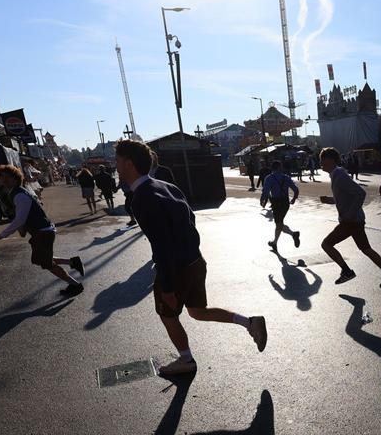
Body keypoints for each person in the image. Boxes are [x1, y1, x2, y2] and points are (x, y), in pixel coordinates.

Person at [114, 140, 267, 377]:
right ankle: (250, 322)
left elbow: (161, 245)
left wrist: (166, 286)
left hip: (177, 268)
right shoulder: (166, 187)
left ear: (128, 163)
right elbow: (190, 221)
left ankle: (186, 360)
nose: (116, 166)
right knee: (197, 311)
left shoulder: (142, 198)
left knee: (167, 315)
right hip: (195, 260)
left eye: (117, 161)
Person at [0, 165, 85, 296]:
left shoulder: (19, 195)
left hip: (43, 232)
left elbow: (20, 219)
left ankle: (75, 284)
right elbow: (21, 218)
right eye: (1, 177)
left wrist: (2, 234)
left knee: (46, 263)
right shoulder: (16, 192)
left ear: (15, 178)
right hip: (41, 231)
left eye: (8, 177)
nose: (4, 180)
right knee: (42, 260)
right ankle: (72, 262)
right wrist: (21, 229)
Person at [318, 147, 381, 288]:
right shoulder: (336, 175)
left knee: (326, 244)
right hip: (355, 220)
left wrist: (349, 214)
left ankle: (346, 271)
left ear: (331, 160)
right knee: (366, 248)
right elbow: (344, 197)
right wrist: (330, 200)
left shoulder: (339, 175)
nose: (321, 162)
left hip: (350, 221)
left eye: (323, 159)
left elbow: (360, 193)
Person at [260, 160, 301, 253]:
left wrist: (262, 200)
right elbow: (296, 189)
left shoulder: (269, 178)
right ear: (279, 167)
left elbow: (265, 192)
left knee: (279, 224)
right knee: (279, 223)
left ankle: (293, 234)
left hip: (276, 203)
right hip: (285, 203)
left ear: (272, 168)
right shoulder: (286, 177)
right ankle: (274, 242)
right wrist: (294, 198)